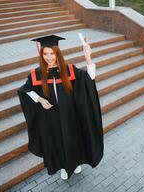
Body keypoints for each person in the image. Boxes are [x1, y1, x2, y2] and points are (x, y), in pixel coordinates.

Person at [17, 34, 104, 180]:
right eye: (45, 53)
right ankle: (64, 166)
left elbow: (90, 78)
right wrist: (40, 100)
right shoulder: (37, 74)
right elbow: (24, 90)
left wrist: (88, 56)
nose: (49, 57)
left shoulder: (69, 70)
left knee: (73, 140)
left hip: (70, 115)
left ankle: (76, 163)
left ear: (58, 53)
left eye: (52, 53)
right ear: (41, 54)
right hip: (51, 118)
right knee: (58, 142)